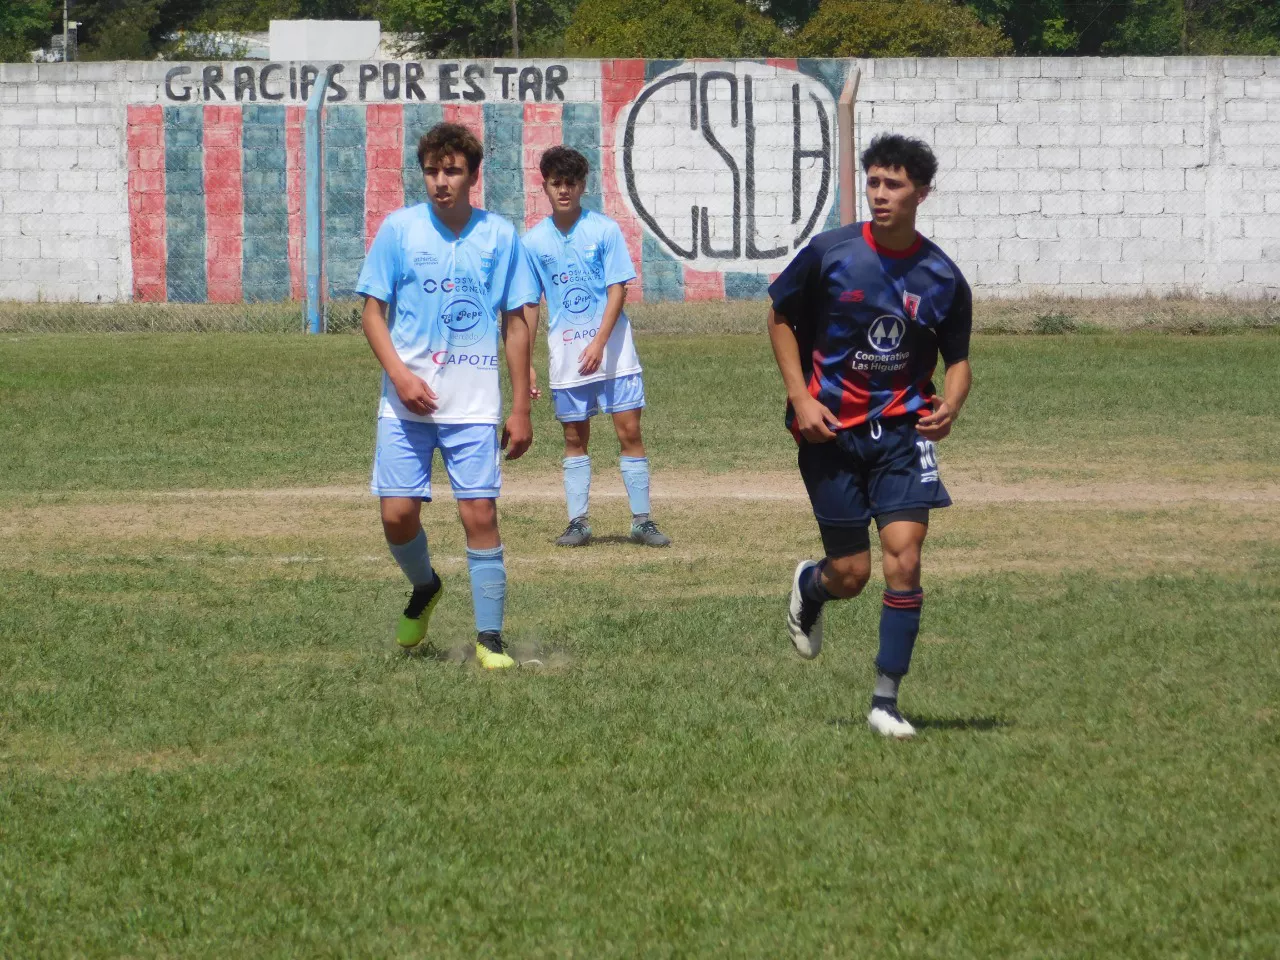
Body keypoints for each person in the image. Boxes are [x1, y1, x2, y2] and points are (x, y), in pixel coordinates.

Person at [766, 133, 973, 738]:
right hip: (829, 432)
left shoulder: (941, 275)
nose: (880, 195)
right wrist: (801, 397)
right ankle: (812, 584)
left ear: (922, 193)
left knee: (904, 561)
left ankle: (886, 700)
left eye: (895, 185)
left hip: (904, 434)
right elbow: (779, 315)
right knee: (852, 574)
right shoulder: (830, 253)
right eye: (874, 182)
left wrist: (952, 403)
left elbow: (957, 359)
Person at [356, 122, 539, 669]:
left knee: (479, 513)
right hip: (404, 405)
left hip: (473, 405)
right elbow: (371, 312)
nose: (441, 181)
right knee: (396, 515)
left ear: (473, 176)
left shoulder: (500, 236)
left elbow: (517, 322)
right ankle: (425, 585)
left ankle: (490, 639)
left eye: (453, 171)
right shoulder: (399, 230)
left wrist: (521, 406)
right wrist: (401, 378)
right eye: (433, 171)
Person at [520, 145, 671, 548]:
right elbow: (530, 303)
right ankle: (577, 522)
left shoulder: (604, 230)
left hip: (614, 352)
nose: (564, 190)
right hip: (567, 356)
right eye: (556, 183)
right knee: (574, 437)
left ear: (583, 186)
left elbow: (618, 287)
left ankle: (642, 520)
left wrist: (600, 342)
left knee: (630, 431)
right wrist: (527, 363)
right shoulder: (533, 242)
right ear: (545, 186)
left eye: (571, 183)